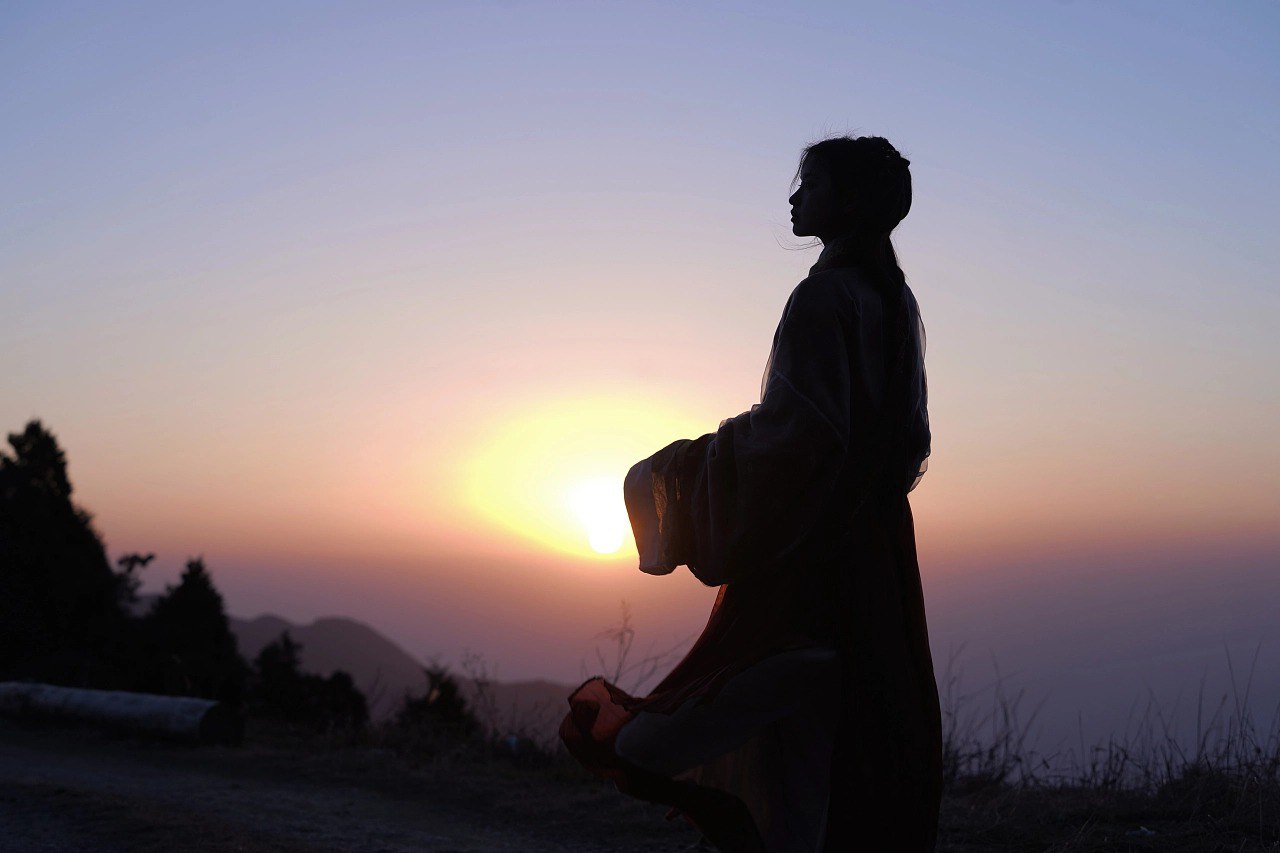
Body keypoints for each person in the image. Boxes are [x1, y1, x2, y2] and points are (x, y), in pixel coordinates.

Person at [559, 135, 943, 852]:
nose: (794, 199)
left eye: (810, 185)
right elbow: (903, 442)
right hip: (875, 554)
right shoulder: (891, 299)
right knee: (822, 762)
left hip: (810, 560)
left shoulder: (824, 295)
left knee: (665, 743)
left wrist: (670, 473)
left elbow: (797, 434)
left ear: (847, 201)